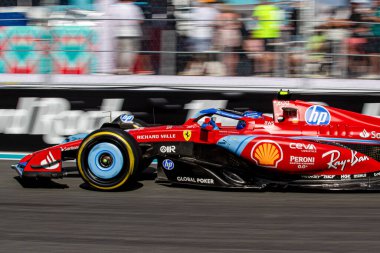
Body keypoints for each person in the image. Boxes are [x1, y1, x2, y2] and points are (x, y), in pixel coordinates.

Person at [108, 0, 144, 74]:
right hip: (131, 32)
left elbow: (112, 19)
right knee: (129, 52)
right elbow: (140, 20)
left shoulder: (114, 7)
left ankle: (119, 68)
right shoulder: (133, 8)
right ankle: (126, 69)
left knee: (119, 52)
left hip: (118, 32)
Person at [251, 0, 282, 75]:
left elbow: (255, 18)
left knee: (263, 53)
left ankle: (265, 71)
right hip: (273, 32)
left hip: (262, 33)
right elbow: (279, 20)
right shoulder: (274, 8)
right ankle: (272, 70)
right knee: (272, 52)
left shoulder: (259, 8)